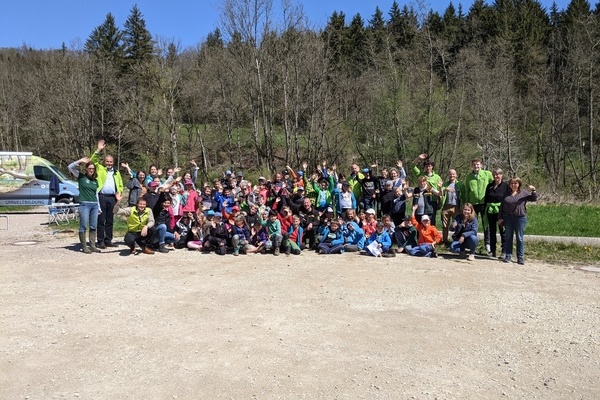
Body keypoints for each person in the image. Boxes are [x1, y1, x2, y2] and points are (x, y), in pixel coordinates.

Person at [90, 140, 124, 249]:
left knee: (110, 220)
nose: (109, 163)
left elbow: (120, 184)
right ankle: (100, 241)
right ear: (104, 162)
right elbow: (92, 161)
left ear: (113, 162)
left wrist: (119, 194)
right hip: (102, 197)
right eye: (107, 161)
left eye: (111, 162)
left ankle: (108, 240)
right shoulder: (100, 168)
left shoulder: (116, 172)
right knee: (101, 220)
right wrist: (98, 149)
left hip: (112, 198)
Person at [498, 178, 538, 265]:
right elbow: (501, 207)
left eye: (515, 183)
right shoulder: (506, 194)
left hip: (520, 218)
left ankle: (520, 257)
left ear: (519, 184)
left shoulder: (523, 193)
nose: (513, 185)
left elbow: (533, 199)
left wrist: (534, 191)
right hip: (508, 218)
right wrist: (500, 218)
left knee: (519, 238)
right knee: (508, 237)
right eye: (511, 183)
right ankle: (508, 255)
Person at [68, 157, 100, 254]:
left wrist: (99, 207)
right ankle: (84, 246)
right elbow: (70, 167)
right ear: (86, 169)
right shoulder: (81, 177)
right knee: (83, 226)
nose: (91, 170)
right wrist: (80, 161)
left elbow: (96, 194)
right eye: (89, 168)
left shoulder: (95, 181)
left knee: (93, 226)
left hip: (94, 205)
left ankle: (93, 245)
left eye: (93, 169)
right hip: (84, 204)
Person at [464, 158, 494, 254]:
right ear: (472, 166)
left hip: (484, 203)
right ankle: (472, 244)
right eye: (474, 165)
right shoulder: (469, 177)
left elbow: (494, 185)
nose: (476, 166)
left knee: (486, 224)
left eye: (478, 164)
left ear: (481, 165)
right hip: (473, 205)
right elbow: (467, 191)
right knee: (473, 224)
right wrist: (466, 203)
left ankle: (488, 244)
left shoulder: (487, 174)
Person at [485, 168, 510, 258]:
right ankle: (493, 251)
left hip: (501, 211)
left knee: (502, 231)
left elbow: (508, 199)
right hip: (490, 210)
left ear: (502, 175)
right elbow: (486, 198)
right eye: (494, 174)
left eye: (498, 174)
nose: (496, 176)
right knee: (492, 231)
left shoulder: (506, 186)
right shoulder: (490, 186)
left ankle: (504, 251)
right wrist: (485, 210)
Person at [440, 169, 464, 245]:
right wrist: (445, 189)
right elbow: (440, 191)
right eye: (450, 174)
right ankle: (445, 240)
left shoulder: (460, 184)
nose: (452, 175)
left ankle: (456, 240)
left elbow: (464, 195)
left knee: (457, 224)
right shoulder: (445, 184)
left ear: (456, 175)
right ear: (448, 175)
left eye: (453, 174)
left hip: (456, 206)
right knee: (445, 224)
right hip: (446, 206)